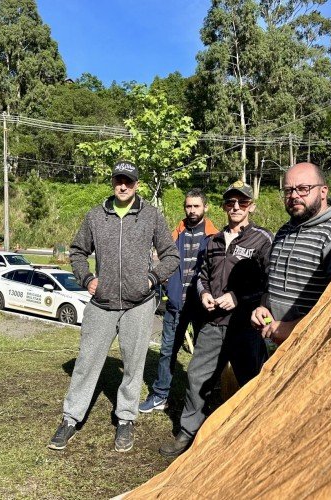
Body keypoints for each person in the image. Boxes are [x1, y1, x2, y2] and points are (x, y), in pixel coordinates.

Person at [48, 160, 179, 453]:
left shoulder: (151, 216)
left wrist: (151, 279)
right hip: (102, 304)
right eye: (118, 180)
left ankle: (125, 419)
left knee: (133, 365)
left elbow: (171, 255)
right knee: (87, 362)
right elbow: (78, 251)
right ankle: (71, 418)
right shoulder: (96, 217)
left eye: (129, 181)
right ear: (112, 182)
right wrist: (86, 278)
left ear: (137, 185)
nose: (123, 186)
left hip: (139, 305)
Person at [159, 180, 273, 458]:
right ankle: (187, 433)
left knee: (252, 382)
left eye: (242, 202)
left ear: (251, 206)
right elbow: (201, 275)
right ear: (223, 206)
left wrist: (239, 298)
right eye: (230, 202)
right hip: (212, 324)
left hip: (245, 326)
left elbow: (270, 282)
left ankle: (253, 436)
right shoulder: (213, 241)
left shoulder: (263, 239)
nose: (236, 207)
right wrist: (205, 294)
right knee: (197, 377)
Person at [251, 162, 331, 345]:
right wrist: (264, 306)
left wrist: (294, 329)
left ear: (323, 191)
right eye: (288, 190)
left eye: (303, 189)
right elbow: (274, 282)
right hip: (276, 342)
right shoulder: (284, 230)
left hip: (313, 348)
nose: (294, 195)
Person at [139, 188, 217, 413]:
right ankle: (160, 395)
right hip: (176, 304)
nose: (192, 210)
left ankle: (202, 400)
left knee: (204, 355)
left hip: (202, 307)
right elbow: (164, 263)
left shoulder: (214, 236)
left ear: (205, 207)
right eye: (188, 206)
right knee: (167, 351)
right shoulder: (175, 233)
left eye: (196, 206)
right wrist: (166, 286)